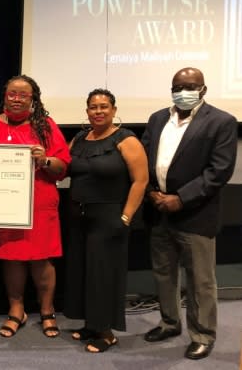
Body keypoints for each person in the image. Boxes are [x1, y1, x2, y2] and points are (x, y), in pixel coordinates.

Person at [141, 67, 237, 360]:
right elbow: (143, 156)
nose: (183, 91)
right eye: (177, 87)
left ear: (203, 89)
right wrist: (150, 192)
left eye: (190, 86)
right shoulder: (158, 118)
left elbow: (219, 170)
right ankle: (170, 323)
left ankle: (203, 335)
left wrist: (181, 199)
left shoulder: (221, 121)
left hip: (195, 214)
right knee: (164, 274)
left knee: (200, 281)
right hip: (158, 210)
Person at [0, 75, 70, 338]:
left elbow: (63, 167)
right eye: (12, 94)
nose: (16, 99)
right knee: (12, 257)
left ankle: (47, 310)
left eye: (23, 95)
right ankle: (16, 309)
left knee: (41, 259)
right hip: (4, 204)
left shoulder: (46, 126)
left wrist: (45, 159)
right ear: (5, 96)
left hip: (39, 203)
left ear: (33, 99)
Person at [64, 89, 148, 353]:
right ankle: (91, 324)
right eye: (93, 107)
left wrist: (125, 216)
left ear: (113, 109)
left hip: (109, 218)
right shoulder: (79, 138)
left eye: (103, 107)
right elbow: (64, 167)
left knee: (103, 275)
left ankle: (106, 332)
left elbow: (140, 181)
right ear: (86, 111)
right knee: (84, 273)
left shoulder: (126, 140)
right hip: (79, 218)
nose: (98, 111)